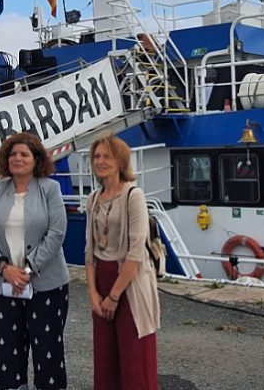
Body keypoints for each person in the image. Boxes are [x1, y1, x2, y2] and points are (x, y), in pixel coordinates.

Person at [0, 133, 69, 390]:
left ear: (36, 159)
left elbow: (57, 233)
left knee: (48, 351)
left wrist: (27, 270)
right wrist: (4, 268)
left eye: (24, 154)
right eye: (13, 154)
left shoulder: (50, 189)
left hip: (46, 285)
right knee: (9, 351)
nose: (17, 158)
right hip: (4, 285)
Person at [85, 133, 161, 390]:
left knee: (135, 360)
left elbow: (136, 251)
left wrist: (114, 296)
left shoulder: (133, 195)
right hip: (102, 281)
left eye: (107, 156)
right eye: (97, 156)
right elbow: (90, 250)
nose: (101, 161)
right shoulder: (93, 199)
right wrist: (93, 292)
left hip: (129, 284)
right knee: (106, 361)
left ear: (120, 161)